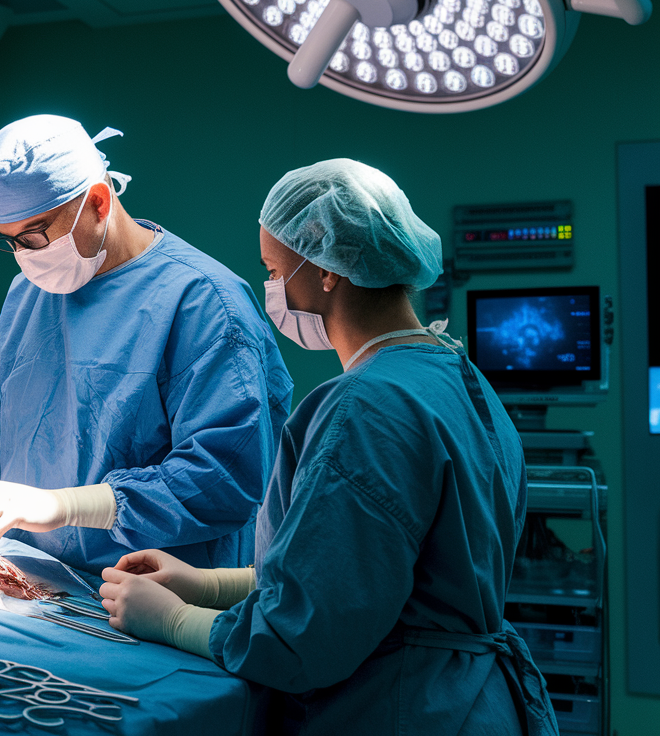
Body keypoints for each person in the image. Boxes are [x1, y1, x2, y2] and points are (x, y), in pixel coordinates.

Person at [98, 159, 557, 735]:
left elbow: (305, 638)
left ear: (325, 269)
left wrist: (174, 621)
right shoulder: (458, 378)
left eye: (272, 269)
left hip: (399, 709)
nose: (269, 285)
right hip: (469, 703)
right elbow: (371, 574)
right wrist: (207, 584)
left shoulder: (366, 408)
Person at [0, 115, 293, 574]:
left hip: (152, 599)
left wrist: (68, 506)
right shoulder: (27, 296)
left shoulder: (204, 303)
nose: (26, 255)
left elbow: (224, 478)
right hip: (33, 583)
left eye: (35, 235)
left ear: (99, 202)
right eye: (10, 242)